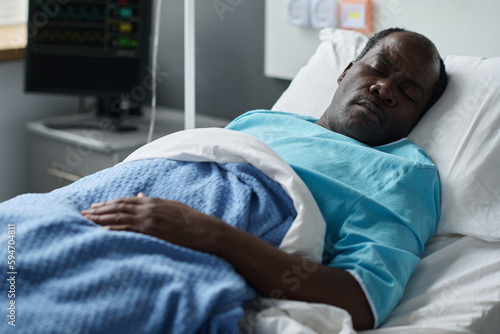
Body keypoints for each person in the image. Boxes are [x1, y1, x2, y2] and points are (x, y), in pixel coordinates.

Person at [81, 27, 447, 331]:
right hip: (105, 200)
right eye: (378, 68)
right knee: (21, 238)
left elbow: (361, 299)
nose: (384, 89)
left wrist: (206, 233)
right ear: (346, 70)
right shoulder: (261, 120)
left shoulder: (405, 174)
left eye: (408, 93)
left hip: (175, 255)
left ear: (418, 118)